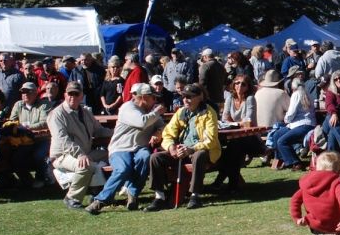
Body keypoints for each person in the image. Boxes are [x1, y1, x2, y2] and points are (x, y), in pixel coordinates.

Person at [86, 82, 166, 215]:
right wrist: (157, 112)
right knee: (123, 168)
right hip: (120, 148)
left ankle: (132, 194)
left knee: (145, 158)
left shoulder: (150, 112)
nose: (155, 101)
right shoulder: (128, 108)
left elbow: (162, 126)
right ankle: (100, 200)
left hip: (140, 148)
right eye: (153, 97)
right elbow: (142, 122)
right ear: (144, 97)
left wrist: (158, 132)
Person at [145, 85, 221, 211]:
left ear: (199, 97)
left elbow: (211, 140)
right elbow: (168, 133)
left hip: (199, 150)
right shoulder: (181, 112)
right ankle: (160, 197)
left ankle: (195, 196)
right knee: (155, 157)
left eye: (190, 97)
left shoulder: (208, 112)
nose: (185, 100)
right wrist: (171, 148)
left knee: (199, 155)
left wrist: (191, 149)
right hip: (180, 150)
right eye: (184, 97)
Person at [48, 82, 111, 210]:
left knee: (115, 156)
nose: (73, 97)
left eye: (76, 94)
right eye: (70, 94)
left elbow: (98, 131)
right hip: (62, 155)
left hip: (86, 152)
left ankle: (99, 192)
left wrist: (117, 132)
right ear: (65, 95)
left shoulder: (85, 112)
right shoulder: (56, 114)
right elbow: (62, 140)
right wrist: (80, 154)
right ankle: (72, 198)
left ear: (81, 96)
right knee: (85, 166)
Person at [6, 82, 52, 188]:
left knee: (39, 155)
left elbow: (45, 122)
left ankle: (41, 178)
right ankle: (27, 180)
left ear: (35, 93)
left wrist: (26, 126)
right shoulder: (18, 105)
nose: (25, 94)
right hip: (25, 140)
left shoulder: (44, 104)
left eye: (28, 91)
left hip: (43, 139)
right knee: (16, 158)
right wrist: (19, 126)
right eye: (23, 92)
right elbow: (12, 121)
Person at [272, 74, 316, 170]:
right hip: (305, 124)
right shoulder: (308, 94)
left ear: (293, 87)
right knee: (277, 134)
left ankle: (295, 162)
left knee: (281, 141)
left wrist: (286, 119)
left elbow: (291, 113)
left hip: (301, 125)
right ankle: (282, 159)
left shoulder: (296, 94)